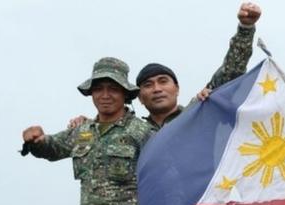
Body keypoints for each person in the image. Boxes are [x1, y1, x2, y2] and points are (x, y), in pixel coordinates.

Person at [22, 57, 153, 205]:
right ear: (91, 93)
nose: (105, 95)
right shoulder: (82, 131)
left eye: (113, 88)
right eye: (99, 89)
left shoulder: (142, 133)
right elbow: (52, 147)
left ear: (125, 94)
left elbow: (164, 177)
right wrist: (36, 141)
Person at [69, 2, 262, 130]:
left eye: (163, 81)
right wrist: (89, 125)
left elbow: (232, 71)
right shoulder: (134, 132)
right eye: (148, 85)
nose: (157, 89)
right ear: (140, 98)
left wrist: (245, 29)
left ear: (177, 89)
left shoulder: (198, 112)